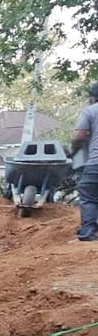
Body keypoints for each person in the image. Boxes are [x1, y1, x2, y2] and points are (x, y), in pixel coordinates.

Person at [70, 82, 98, 241]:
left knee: (88, 193)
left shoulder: (91, 110)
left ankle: (88, 233)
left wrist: (73, 152)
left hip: (95, 162)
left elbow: (79, 136)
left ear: (93, 98)